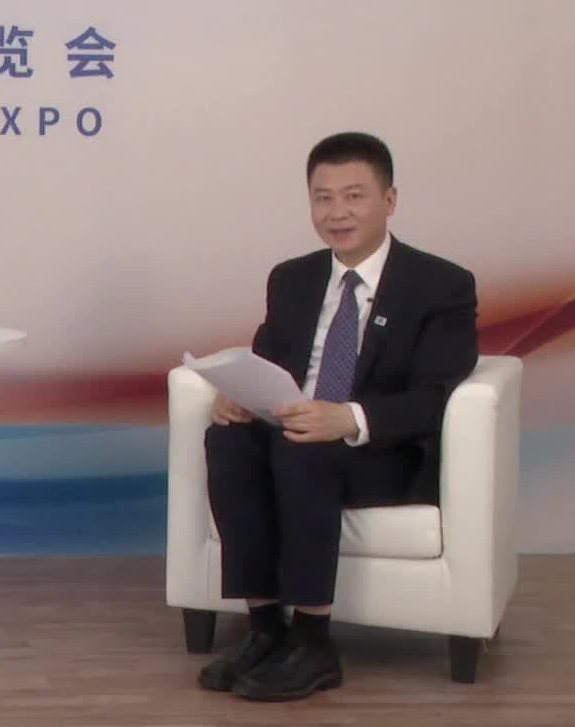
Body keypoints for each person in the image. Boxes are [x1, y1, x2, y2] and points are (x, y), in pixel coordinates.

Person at [199, 131, 478, 701]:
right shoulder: (292, 278)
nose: (337, 213)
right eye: (322, 198)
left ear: (389, 200)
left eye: (354, 196)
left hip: (382, 453)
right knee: (227, 440)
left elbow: (434, 397)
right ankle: (265, 628)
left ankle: (313, 640)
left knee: (304, 446)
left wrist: (348, 418)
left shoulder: (440, 285)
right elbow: (268, 363)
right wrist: (238, 396)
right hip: (295, 434)